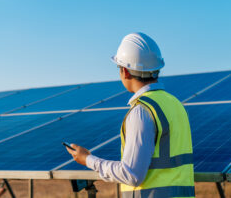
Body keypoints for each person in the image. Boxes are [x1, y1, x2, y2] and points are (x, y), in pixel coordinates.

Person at [66, 32, 195, 198]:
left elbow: (131, 174)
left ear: (125, 72)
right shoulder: (175, 104)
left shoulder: (142, 111)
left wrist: (87, 159)